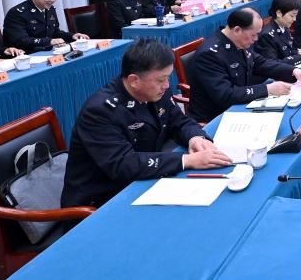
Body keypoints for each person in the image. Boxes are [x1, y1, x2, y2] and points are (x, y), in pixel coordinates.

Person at [61, 39, 231, 208]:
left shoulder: (155, 90)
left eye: (168, 77)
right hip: (102, 201)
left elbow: (178, 120)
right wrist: (186, 160)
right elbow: (124, 164)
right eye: (161, 80)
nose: (166, 85)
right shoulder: (100, 111)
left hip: (143, 181)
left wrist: (195, 137)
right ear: (134, 80)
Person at [187, 8, 301, 123]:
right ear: (237, 30)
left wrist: (293, 71)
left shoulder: (239, 41)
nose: (256, 39)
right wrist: (267, 89)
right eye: (253, 35)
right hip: (215, 117)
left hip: (240, 104)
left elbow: (261, 63)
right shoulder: (210, 54)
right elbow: (225, 95)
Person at [3, 0, 89, 52]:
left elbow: (55, 32)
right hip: (27, 55)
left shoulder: (50, 9)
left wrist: (72, 36)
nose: (53, 0)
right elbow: (21, 40)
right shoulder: (17, 13)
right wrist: (49, 41)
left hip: (48, 52)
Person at [253, 0, 301, 66]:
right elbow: (272, 64)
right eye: (292, 16)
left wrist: (298, 52)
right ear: (279, 13)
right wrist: (299, 58)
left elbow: (288, 51)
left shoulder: (284, 26)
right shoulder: (267, 36)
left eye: (295, 15)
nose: (294, 19)